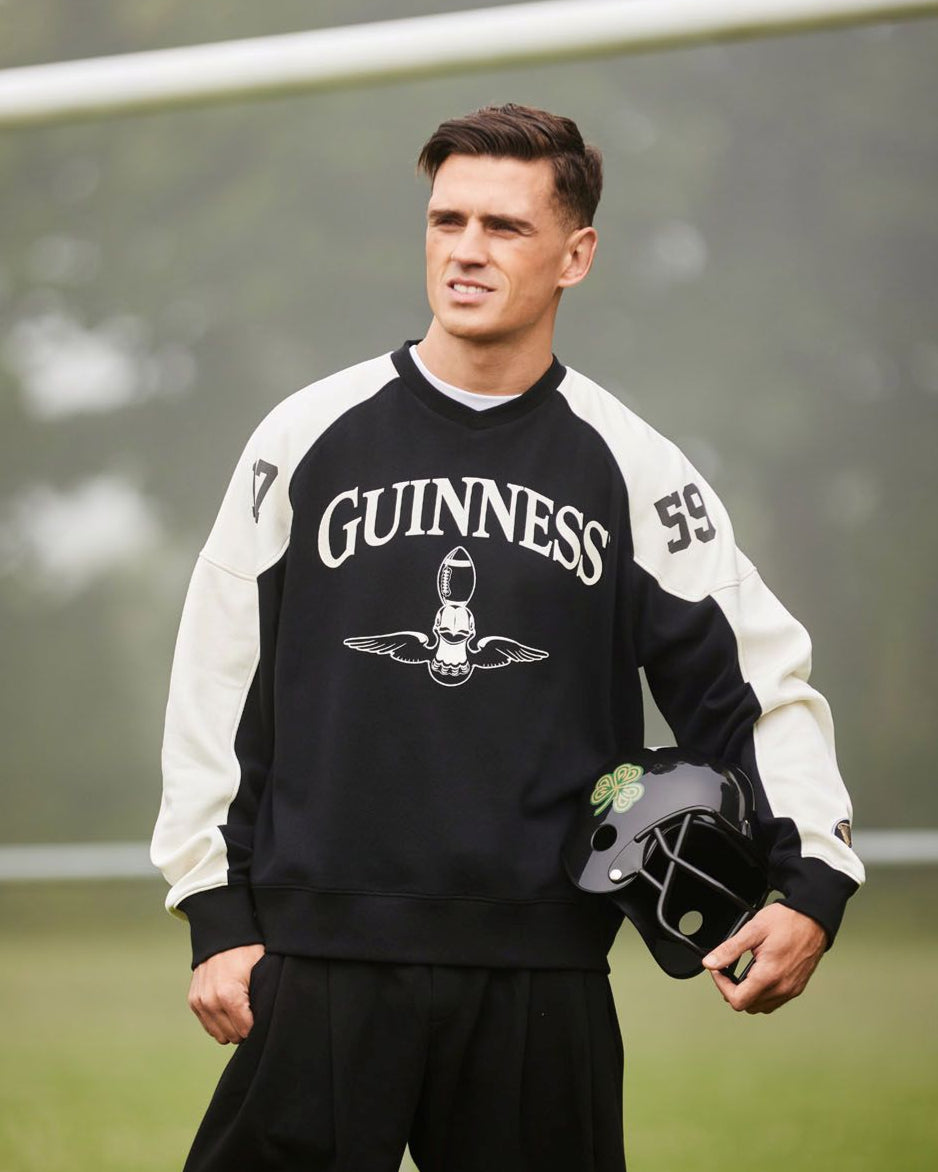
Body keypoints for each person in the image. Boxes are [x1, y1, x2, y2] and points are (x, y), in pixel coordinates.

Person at [152, 104, 864, 1171]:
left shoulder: (631, 465)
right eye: (447, 221)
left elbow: (751, 680)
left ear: (575, 254)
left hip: (539, 975)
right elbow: (217, 673)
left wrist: (810, 873)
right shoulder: (307, 436)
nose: (466, 251)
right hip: (322, 955)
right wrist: (215, 906)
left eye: (504, 227)